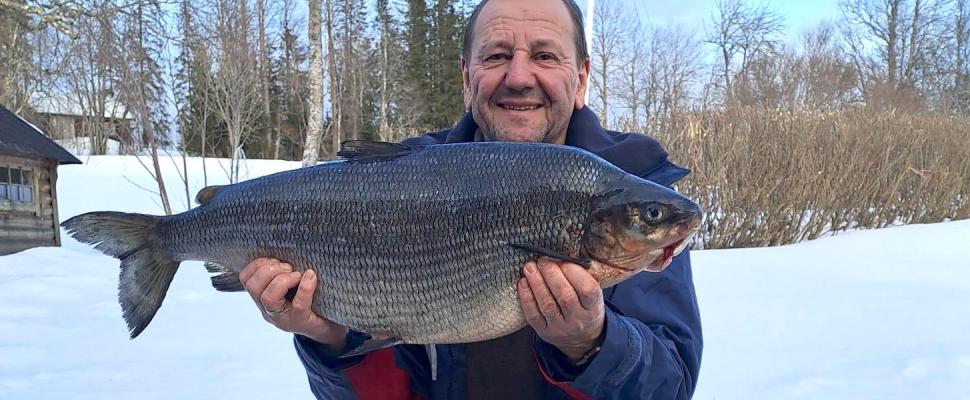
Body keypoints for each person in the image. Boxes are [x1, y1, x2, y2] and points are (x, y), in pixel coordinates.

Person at [238, 0, 702, 398]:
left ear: (580, 79)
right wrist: (329, 338)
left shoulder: (638, 194)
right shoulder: (401, 182)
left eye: (544, 56)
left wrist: (592, 342)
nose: (518, 76)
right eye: (497, 56)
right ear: (466, 77)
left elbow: (671, 387)